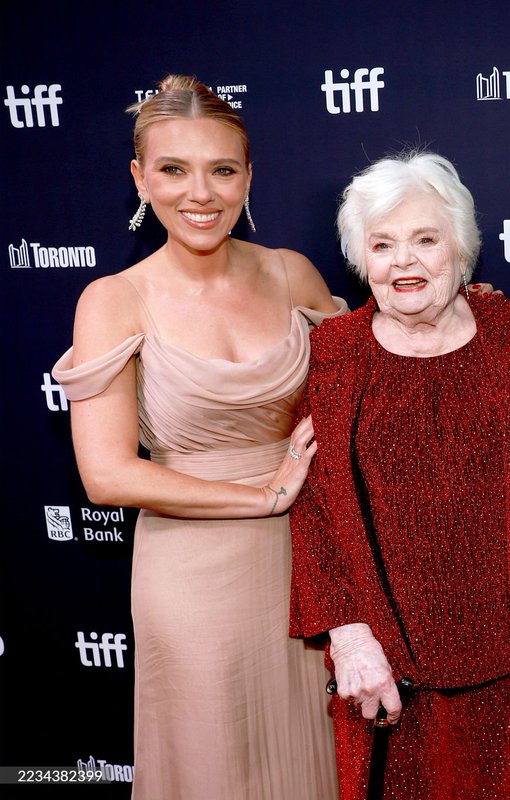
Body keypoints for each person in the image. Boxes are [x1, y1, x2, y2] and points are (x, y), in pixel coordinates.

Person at [52, 75, 343, 799]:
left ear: (249, 175)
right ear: (140, 179)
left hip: (308, 564)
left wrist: (455, 321)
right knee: (212, 762)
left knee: (309, 756)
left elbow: (372, 389)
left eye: (222, 169)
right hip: (192, 576)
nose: (200, 193)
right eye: (173, 170)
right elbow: (108, 477)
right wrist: (263, 495)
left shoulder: (290, 274)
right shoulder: (115, 300)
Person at [288, 151, 510, 800]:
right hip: (392, 666)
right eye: (381, 245)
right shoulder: (335, 352)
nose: (403, 261)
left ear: (462, 251)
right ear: (361, 260)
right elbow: (320, 509)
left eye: (424, 239)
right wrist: (351, 639)